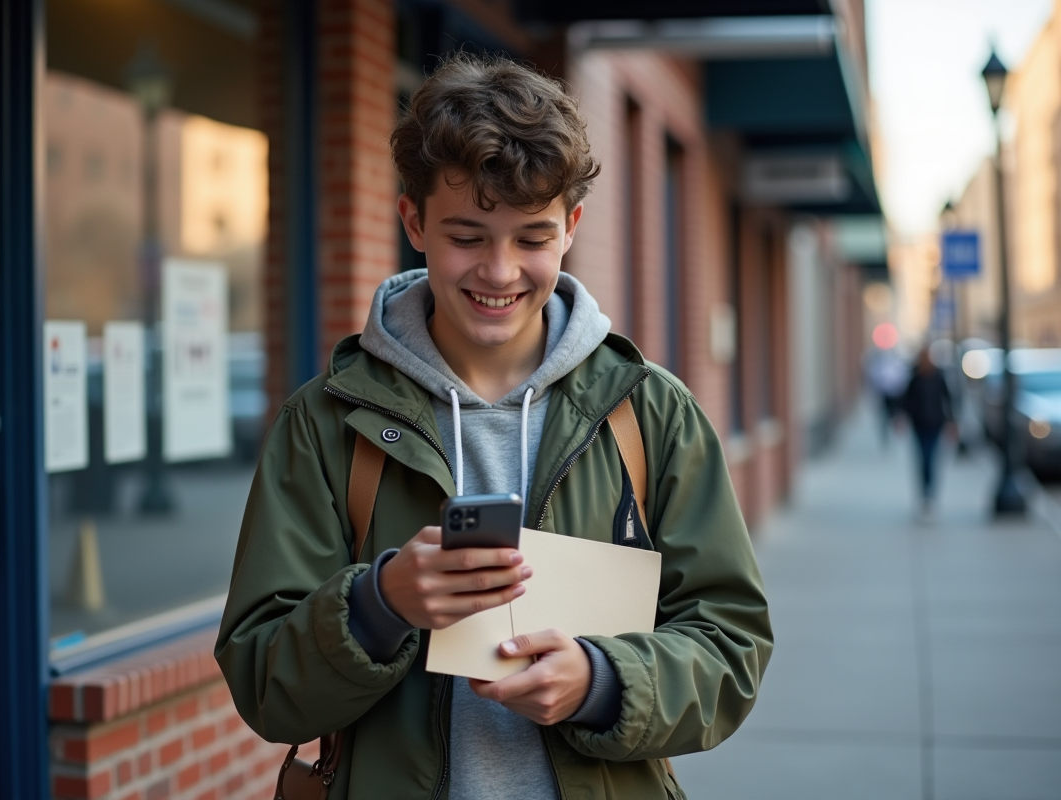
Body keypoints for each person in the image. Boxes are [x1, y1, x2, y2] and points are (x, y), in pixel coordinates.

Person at [216, 53, 772, 799]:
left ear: (571, 228)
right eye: (468, 236)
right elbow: (265, 684)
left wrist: (605, 681)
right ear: (412, 221)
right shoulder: (324, 423)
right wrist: (380, 605)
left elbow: (729, 647)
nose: (501, 272)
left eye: (532, 239)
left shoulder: (650, 412)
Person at [899, 346, 956, 520]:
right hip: (919, 425)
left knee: (931, 458)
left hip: (935, 425)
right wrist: (901, 418)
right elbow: (906, 400)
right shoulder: (915, 378)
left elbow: (948, 399)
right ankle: (924, 494)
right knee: (922, 459)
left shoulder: (938, 377)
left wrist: (951, 422)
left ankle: (930, 495)